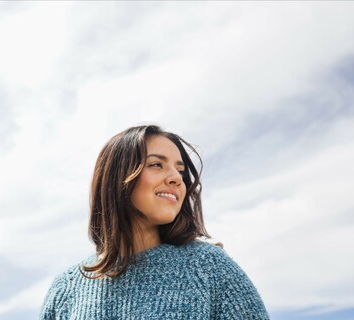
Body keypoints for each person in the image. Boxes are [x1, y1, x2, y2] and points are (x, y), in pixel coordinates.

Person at [40, 125, 269, 319]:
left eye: (180, 171)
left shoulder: (209, 267)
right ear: (116, 176)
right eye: (157, 165)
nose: (177, 178)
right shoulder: (65, 289)